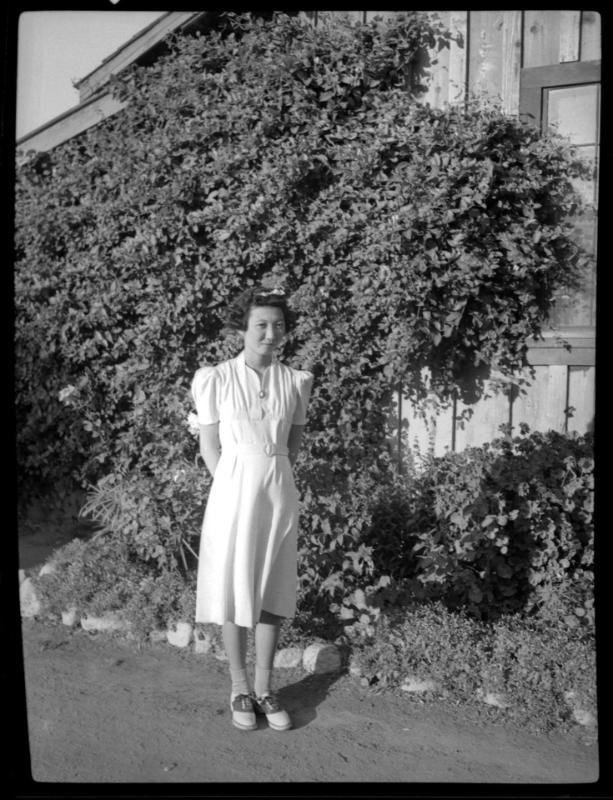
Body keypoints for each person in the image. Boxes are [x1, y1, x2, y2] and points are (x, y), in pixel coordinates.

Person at [191, 286, 314, 732]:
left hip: (278, 490)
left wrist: (272, 478)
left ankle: (265, 687)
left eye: (277, 325)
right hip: (233, 490)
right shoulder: (216, 379)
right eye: (261, 324)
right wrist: (233, 486)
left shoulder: (296, 381)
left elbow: (292, 446)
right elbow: (209, 445)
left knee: (271, 590)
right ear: (242, 328)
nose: (270, 332)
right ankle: (238, 687)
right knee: (235, 588)